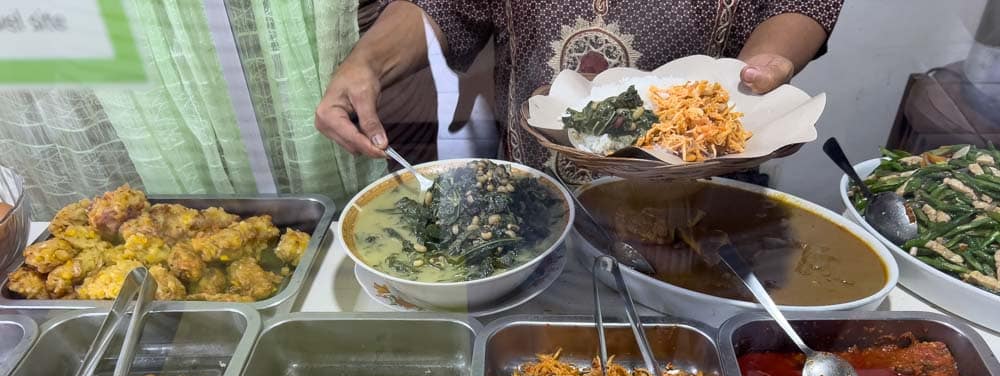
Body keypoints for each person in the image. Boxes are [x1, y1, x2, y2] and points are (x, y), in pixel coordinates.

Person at [316, 1, 844, 177]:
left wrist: (767, 62)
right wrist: (366, 63)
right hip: (539, 192)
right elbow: (443, 4)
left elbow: (797, 3)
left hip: (700, 185)